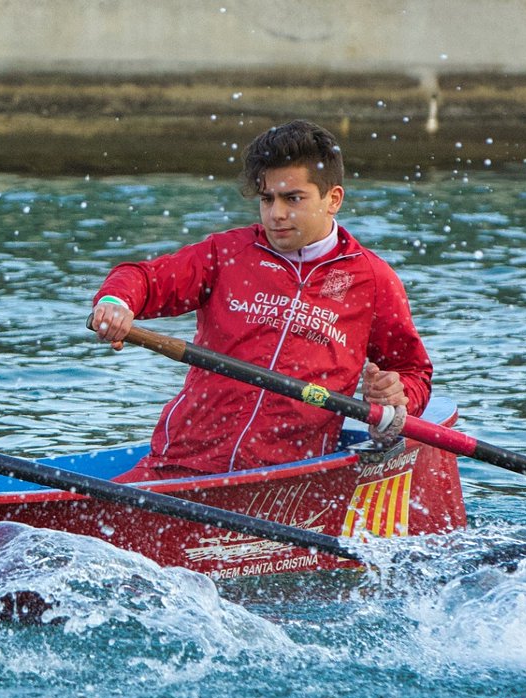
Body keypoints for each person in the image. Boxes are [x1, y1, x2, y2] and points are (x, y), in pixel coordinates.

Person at [91, 120, 432, 482]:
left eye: (293, 198)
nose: (276, 214)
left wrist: (397, 395)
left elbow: (414, 373)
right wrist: (116, 301)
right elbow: (144, 279)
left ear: (333, 199)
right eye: (267, 199)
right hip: (183, 463)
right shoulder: (226, 254)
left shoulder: (373, 280)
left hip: (292, 479)